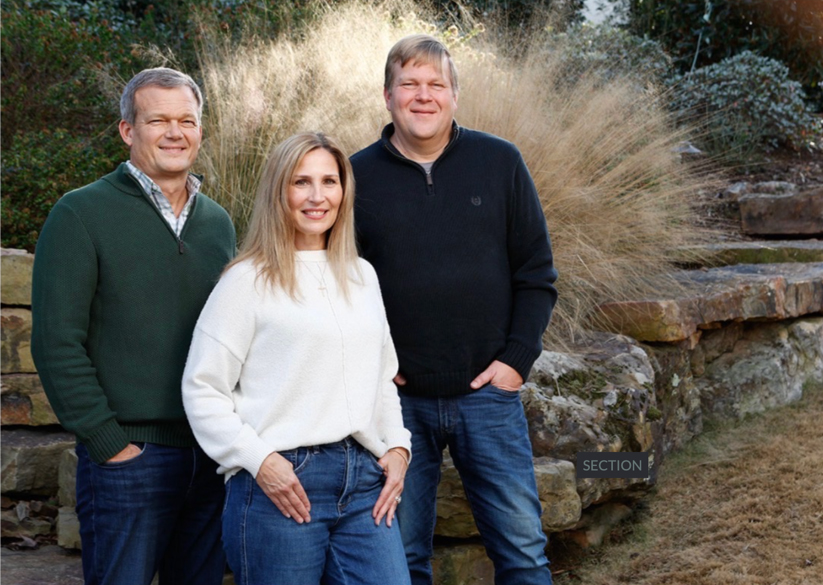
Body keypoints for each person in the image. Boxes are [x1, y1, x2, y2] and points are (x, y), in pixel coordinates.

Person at [351, 34, 559, 585]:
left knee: (522, 554)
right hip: (397, 407)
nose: (423, 96)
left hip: (487, 396)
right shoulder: (354, 178)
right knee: (399, 560)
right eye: (409, 85)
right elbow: (335, 289)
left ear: (454, 96)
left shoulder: (500, 162)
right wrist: (370, 368)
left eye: (435, 85)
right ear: (388, 96)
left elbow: (536, 275)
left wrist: (516, 362)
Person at [30, 67, 236, 585]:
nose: (175, 132)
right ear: (128, 130)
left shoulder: (218, 224)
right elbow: (57, 343)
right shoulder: (80, 214)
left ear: (200, 131)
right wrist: (109, 445)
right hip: (130, 458)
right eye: (158, 120)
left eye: (186, 120)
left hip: (212, 454)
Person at [181, 132, 413, 585]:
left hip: (363, 478)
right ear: (278, 191)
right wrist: (259, 460)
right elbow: (203, 388)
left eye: (329, 181)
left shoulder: (361, 276)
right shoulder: (247, 281)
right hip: (282, 483)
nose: (316, 196)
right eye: (301, 182)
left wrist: (398, 446)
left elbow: (381, 379)